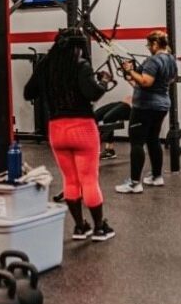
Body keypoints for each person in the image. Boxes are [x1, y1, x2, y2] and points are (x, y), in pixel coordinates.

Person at [24, 27, 115, 241]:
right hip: (82, 128)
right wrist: (103, 81)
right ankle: (99, 228)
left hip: (57, 129)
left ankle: (80, 227)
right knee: (89, 179)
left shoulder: (45, 65)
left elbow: (29, 92)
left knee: (70, 180)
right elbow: (92, 93)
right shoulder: (81, 65)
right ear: (79, 46)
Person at [115, 30, 178, 193]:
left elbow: (146, 82)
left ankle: (134, 183)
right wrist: (132, 75)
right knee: (153, 139)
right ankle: (157, 176)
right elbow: (170, 79)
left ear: (155, 44)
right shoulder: (171, 59)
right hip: (161, 105)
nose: (148, 48)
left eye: (149, 45)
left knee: (137, 142)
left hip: (145, 107)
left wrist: (130, 70)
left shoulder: (153, 60)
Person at [95, 96, 132, 160]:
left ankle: (109, 150)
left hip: (135, 106)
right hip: (125, 102)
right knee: (96, 115)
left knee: (108, 118)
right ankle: (91, 146)